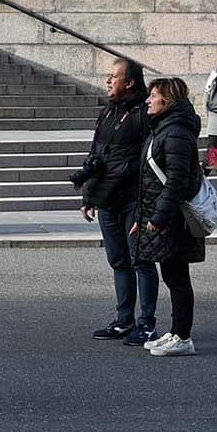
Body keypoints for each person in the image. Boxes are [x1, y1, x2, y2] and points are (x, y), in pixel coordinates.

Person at [70, 56, 156, 342]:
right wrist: (88, 195)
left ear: (129, 82)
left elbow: (150, 161)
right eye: (108, 76)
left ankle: (146, 323)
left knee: (141, 261)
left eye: (114, 76)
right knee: (119, 261)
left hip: (134, 199)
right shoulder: (108, 111)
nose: (108, 80)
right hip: (107, 199)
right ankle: (124, 320)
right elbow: (96, 155)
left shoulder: (145, 114)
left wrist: (147, 208)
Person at [131, 76, 204, 357]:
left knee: (178, 277)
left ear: (168, 100)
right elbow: (149, 181)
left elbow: (176, 181)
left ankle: (183, 336)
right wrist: (143, 214)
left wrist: (159, 216)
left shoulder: (176, 133)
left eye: (154, 95)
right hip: (162, 215)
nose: (148, 100)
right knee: (172, 276)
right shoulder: (163, 129)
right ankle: (176, 332)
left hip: (174, 219)